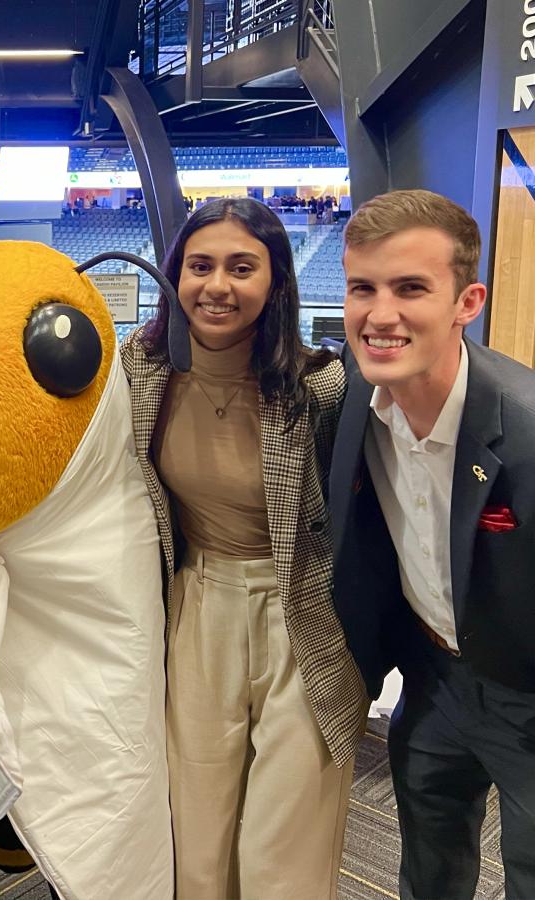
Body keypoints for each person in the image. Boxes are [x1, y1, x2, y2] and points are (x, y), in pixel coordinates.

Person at [120, 197, 366, 899]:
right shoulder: (141, 372)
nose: (217, 286)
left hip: (307, 618)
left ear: (276, 281)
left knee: (285, 844)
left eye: (241, 267)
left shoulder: (320, 385)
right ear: (176, 274)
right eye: (200, 266)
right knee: (193, 834)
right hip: (196, 605)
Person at [331, 189, 535, 899]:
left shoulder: (529, 431)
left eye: (410, 288)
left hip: (529, 694)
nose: (380, 315)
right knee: (428, 868)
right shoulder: (352, 400)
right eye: (364, 288)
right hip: (431, 679)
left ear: (467, 301)